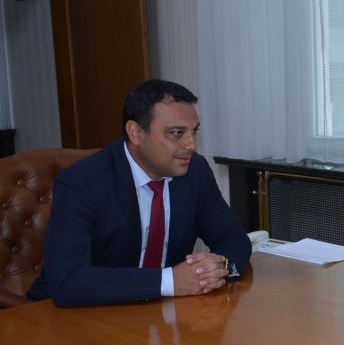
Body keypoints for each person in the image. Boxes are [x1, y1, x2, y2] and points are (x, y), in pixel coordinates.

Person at [27, 79, 252, 307]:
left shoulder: (195, 171)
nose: (191, 144)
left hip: (157, 312)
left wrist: (218, 268)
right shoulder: (81, 183)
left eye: (193, 132)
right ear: (135, 133)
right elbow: (68, 281)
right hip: (72, 314)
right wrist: (170, 281)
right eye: (177, 133)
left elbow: (234, 240)